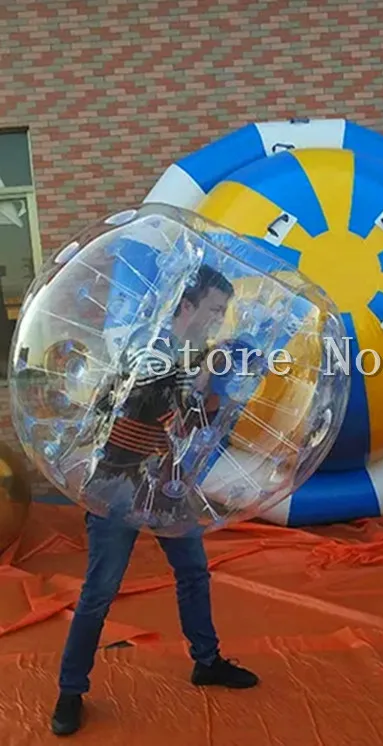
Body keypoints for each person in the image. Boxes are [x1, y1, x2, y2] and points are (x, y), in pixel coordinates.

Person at [52, 265, 259, 737]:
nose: (217, 319)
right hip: (118, 482)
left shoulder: (192, 355)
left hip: (163, 482)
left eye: (223, 312)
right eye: (213, 309)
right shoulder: (149, 353)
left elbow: (192, 430)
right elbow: (152, 409)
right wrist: (203, 379)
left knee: (192, 571)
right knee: (100, 590)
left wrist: (216, 390)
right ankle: (70, 689)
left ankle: (206, 661)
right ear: (186, 307)